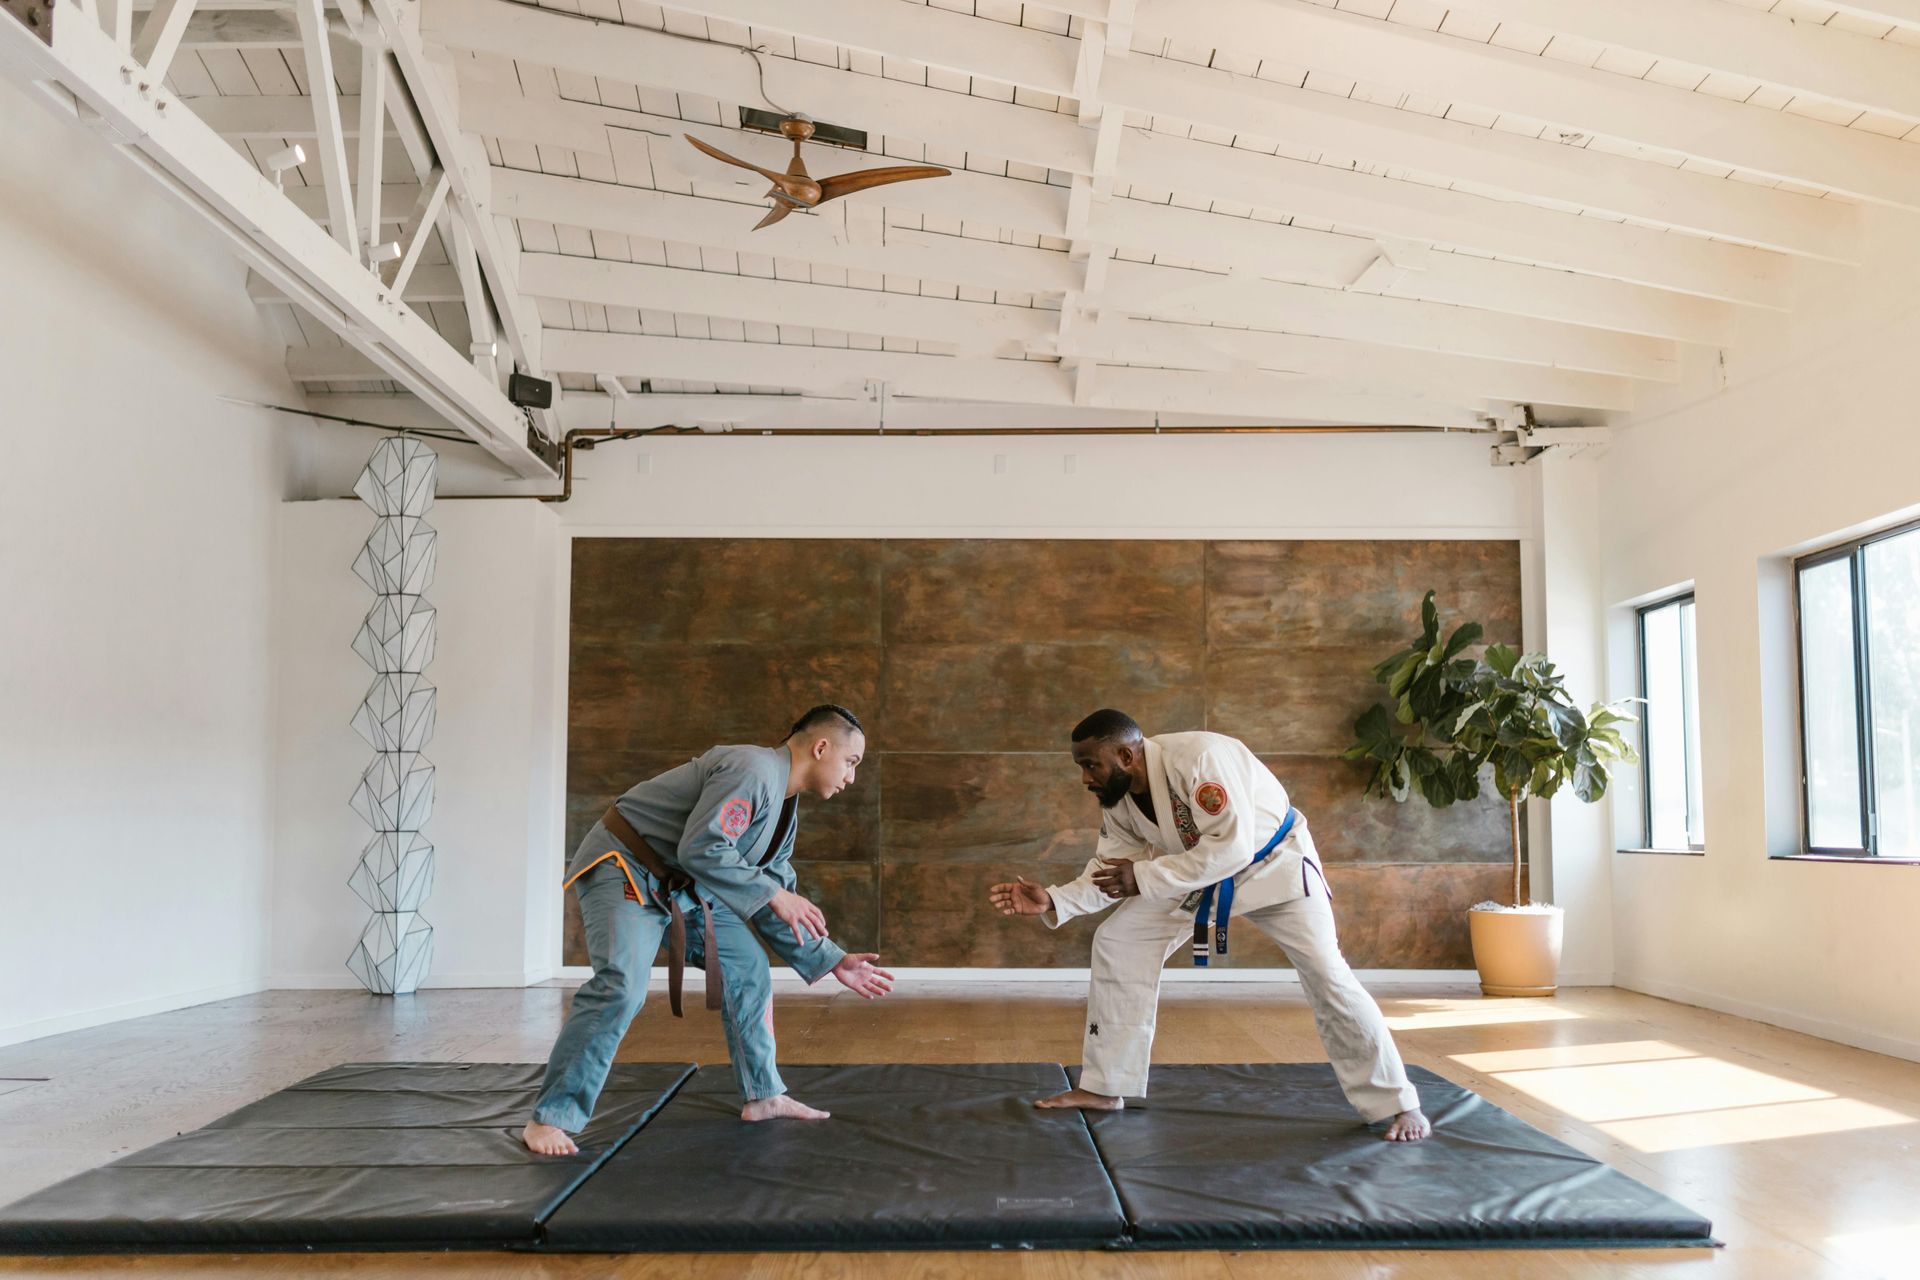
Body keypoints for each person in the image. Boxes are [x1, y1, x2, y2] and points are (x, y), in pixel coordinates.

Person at [988, 709, 1430, 1142]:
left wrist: (1141, 877)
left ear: (1126, 756)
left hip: (1274, 865)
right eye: (1081, 767)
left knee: (1326, 973)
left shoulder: (1198, 759)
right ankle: (1106, 1086)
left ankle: (1397, 1102)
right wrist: (1054, 897)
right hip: (1194, 875)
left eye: (1090, 765)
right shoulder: (1120, 797)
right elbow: (1113, 870)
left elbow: (1231, 847)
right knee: (1119, 939)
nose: (1085, 778)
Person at [523, 704, 894, 1155]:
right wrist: (776, 895)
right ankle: (549, 1118)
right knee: (621, 985)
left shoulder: (783, 811)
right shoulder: (753, 769)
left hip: (687, 886)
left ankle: (764, 1095)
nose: (851, 777)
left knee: (747, 966)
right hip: (626, 866)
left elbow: (772, 895)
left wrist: (830, 958)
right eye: (851, 762)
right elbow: (703, 848)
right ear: (821, 747)